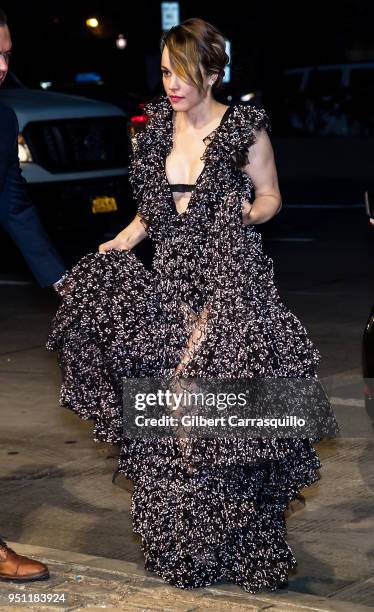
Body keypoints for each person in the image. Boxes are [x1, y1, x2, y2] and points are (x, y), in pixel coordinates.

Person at [46, 18, 338, 593]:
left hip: (232, 280)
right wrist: (120, 243)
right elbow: (152, 213)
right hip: (171, 284)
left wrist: (241, 216)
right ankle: (189, 538)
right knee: (167, 415)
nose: (171, 85)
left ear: (211, 72)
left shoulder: (243, 129)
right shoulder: (153, 131)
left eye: (182, 74)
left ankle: (244, 536)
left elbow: (271, 197)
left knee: (222, 413)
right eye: (163, 72)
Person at [0, 7, 66, 582]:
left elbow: (13, 203)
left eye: (7, 54)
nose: (3, 67)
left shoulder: (1, 117)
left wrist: (62, 281)